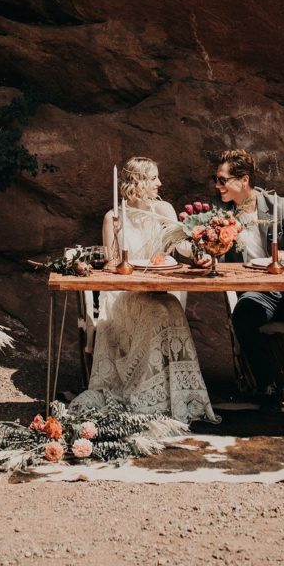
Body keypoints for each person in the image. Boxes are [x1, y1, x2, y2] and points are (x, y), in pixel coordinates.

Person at [68, 157, 219, 424]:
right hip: (123, 296)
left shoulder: (164, 210)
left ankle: (180, 396)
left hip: (157, 290)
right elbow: (113, 266)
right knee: (158, 313)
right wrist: (114, 233)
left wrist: (201, 254)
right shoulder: (112, 216)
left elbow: (182, 246)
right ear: (136, 182)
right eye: (153, 178)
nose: (159, 183)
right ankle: (145, 398)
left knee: (168, 307)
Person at [213, 148, 284, 413]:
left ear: (243, 180)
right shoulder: (219, 210)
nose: (217, 185)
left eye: (222, 180)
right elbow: (211, 249)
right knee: (243, 315)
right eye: (217, 179)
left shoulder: (277, 205)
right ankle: (267, 383)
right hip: (256, 291)